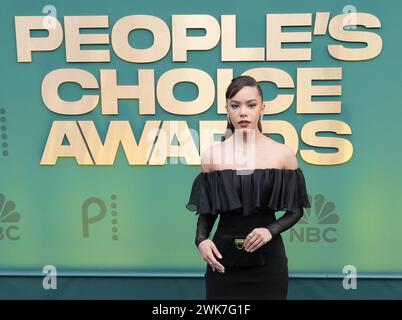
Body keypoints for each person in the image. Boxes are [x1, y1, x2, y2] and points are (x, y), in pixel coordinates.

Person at [185, 75, 311, 300]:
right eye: (235, 105)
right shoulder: (213, 155)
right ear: (227, 109)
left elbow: (296, 210)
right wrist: (201, 240)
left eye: (251, 105)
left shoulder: (282, 154)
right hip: (222, 261)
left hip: (269, 265)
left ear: (262, 108)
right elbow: (207, 212)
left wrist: (269, 230)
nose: (243, 112)